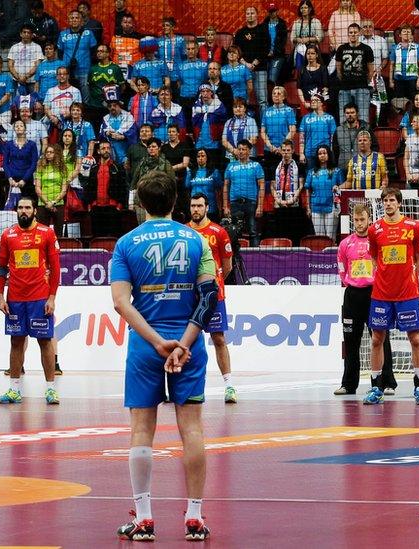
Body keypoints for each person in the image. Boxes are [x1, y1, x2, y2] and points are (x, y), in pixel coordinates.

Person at [111, 170, 215, 542]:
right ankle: (195, 517)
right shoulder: (197, 241)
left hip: (145, 345)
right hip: (189, 345)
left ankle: (144, 518)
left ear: (140, 203)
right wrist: (184, 342)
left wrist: (157, 342)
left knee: (141, 430)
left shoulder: (126, 243)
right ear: (176, 201)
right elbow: (209, 297)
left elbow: (121, 302)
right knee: (192, 429)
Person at [0, 195, 62, 405]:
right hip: (15, 299)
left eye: (27, 207)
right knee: (16, 342)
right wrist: (0, 296)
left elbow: (56, 268)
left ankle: (51, 390)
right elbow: (1, 267)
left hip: (39, 298)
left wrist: (52, 297)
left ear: (34, 210)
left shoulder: (47, 233)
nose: (24, 211)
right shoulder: (8, 235)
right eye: (20, 208)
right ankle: (14, 390)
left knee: (44, 342)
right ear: (17, 210)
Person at [363, 187, 419, 406]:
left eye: (392, 200)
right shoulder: (374, 229)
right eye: (385, 200)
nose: (388, 203)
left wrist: (412, 278)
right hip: (381, 294)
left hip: (407, 293)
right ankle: (375, 387)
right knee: (376, 340)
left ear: (399, 203)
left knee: (416, 339)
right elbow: (374, 258)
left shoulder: (413, 227)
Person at [334, 203, 394, 395]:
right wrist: (352, 282)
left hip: (375, 294)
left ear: (369, 219)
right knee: (351, 341)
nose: (359, 224)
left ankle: (386, 383)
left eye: (363, 220)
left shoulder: (377, 241)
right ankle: (349, 384)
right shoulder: (345, 244)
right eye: (356, 220)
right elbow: (342, 268)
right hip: (352, 295)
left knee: (380, 338)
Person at [187, 193, 237, 402]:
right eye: (192, 206)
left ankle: (229, 387)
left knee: (218, 339)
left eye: (199, 206)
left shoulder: (219, 232)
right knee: (186, 340)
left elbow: (227, 266)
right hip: (189, 295)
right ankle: (187, 387)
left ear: (207, 207)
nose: (196, 210)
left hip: (214, 294)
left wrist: (212, 284)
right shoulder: (184, 231)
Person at [266, 140, 312, 244]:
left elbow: (301, 185)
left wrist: (293, 199)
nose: (286, 153)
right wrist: (279, 200)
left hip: (294, 207)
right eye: (283, 150)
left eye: (288, 150)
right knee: (280, 235)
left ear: (292, 151)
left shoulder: (299, 166)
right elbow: (272, 186)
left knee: (294, 236)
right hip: (279, 207)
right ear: (281, 151)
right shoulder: (275, 166)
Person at [82, 141, 128, 237]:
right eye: (103, 148)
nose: (106, 150)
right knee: (97, 237)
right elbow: (89, 187)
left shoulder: (117, 167)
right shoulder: (94, 168)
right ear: (98, 151)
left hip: (112, 208)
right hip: (96, 209)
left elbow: (123, 187)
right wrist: (90, 205)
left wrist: (119, 206)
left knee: (113, 237)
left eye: (108, 148)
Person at [222, 139, 264, 246]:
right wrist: (225, 206)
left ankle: (255, 256)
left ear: (249, 151)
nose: (240, 151)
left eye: (243, 149)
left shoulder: (256, 165)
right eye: (239, 149)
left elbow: (262, 186)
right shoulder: (230, 166)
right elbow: (225, 186)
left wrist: (260, 206)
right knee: (234, 232)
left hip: (251, 203)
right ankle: (236, 257)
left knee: (253, 231)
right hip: (235, 204)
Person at [335, 24, 374, 126]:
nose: (353, 34)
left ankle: (364, 138)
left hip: (361, 87)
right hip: (344, 88)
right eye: (351, 32)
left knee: (363, 119)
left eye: (355, 32)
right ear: (348, 34)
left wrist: (365, 81)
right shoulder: (341, 49)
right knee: (344, 119)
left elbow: (371, 70)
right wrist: (344, 80)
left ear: (359, 33)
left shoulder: (367, 49)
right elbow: (338, 69)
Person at [234, 6, 270, 107]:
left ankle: (263, 123)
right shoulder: (240, 33)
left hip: (260, 69)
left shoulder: (263, 30)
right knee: (244, 100)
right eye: (248, 13)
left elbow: (266, 49)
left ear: (257, 15)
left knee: (262, 100)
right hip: (244, 70)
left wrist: (254, 63)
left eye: (252, 13)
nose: (250, 15)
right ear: (245, 16)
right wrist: (246, 64)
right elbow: (236, 51)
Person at [304, 145, 342, 240]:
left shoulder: (337, 171)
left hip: (332, 208)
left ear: (329, 154)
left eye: (324, 153)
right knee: (319, 238)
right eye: (319, 153)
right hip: (316, 208)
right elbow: (307, 189)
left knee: (330, 238)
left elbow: (342, 188)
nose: (322, 155)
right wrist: (308, 207)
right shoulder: (311, 172)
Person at [58, 10, 97, 99]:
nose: (74, 20)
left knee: (85, 95)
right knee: (68, 95)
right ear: (68, 20)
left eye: (77, 18)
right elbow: (60, 52)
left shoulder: (88, 33)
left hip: (85, 70)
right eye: (72, 18)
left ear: (81, 20)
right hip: (68, 71)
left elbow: (94, 51)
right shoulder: (63, 34)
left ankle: (86, 111)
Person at [261, 86, 298, 174]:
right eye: (274, 94)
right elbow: (262, 131)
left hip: (285, 150)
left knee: (285, 176)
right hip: (269, 149)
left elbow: (293, 129)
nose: (276, 96)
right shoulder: (266, 111)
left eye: (279, 94)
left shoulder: (289, 110)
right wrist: (270, 146)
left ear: (284, 97)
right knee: (270, 176)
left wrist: (282, 146)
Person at [35, 144, 71, 235]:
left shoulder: (63, 169)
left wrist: (53, 202)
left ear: (56, 154)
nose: (48, 154)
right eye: (47, 152)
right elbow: (38, 188)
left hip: (58, 204)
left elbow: (64, 190)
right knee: (42, 233)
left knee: (58, 233)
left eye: (51, 152)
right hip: (43, 204)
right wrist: (47, 203)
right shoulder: (40, 168)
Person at [191, 84, 228, 171]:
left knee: (214, 170)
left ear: (212, 93)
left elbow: (223, 120)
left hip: (213, 146)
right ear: (200, 94)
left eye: (207, 91)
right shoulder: (196, 107)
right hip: (199, 145)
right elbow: (194, 122)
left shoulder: (219, 106)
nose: (205, 94)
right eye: (203, 91)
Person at [2, 119, 40, 204]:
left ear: (25, 129)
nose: (19, 127)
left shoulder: (32, 144)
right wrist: (10, 178)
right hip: (12, 181)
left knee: (27, 205)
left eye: (21, 126)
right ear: (14, 129)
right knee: (11, 207)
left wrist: (24, 180)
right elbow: (5, 163)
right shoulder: (9, 144)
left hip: (27, 181)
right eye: (16, 126)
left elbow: (34, 163)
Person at [298, 93, 337, 172]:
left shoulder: (329, 118)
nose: (312, 102)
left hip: (324, 153)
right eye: (312, 100)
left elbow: (333, 137)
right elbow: (302, 137)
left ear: (322, 103)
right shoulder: (305, 118)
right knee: (310, 176)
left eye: (316, 100)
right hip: (309, 153)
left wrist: (332, 153)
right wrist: (301, 153)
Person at [87, 44, 124, 124]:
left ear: (108, 53)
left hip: (110, 107)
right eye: (98, 51)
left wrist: (113, 100)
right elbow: (90, 86)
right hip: (95, 106)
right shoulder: (93, 69)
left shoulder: (115, 68)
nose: (99, 53)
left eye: (102, 51)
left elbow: (122, 87)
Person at [389, 25, 419, 104]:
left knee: (412, 102)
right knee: (399, 103)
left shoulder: (417, 47)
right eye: (404, 32)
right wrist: (391, 81)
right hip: (398, 79)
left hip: (412, 79)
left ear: (411, 35)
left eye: (408, 32)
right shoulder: (395, 48)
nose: (406, 34)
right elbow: (391, 65)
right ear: (400, 35)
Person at [100, 91, 136, 167]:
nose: (112, 108)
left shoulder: (128, 116)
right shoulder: (105, 118)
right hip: (111, 153)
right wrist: (107, 133)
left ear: (120, 105)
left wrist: (124, 136)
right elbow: (101, 134)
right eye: (110, 106)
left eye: (114, 105)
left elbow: (133, 131)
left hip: (125, 149)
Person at [9, 24, 43, 94]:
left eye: (29, 32)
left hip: (32, 82)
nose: (26, 34)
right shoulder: (14, 47)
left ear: (32, 35)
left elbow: (37, 65)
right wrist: (18, 77)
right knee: (17, 103)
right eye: (24, 32)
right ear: (20, 34)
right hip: (16, 81)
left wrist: (26, 77)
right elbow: (10, 65)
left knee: (33, 103)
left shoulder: (37, 47)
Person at [222, 98, 259, 163]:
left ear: (245, 109)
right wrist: (235, 151)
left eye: (240, 107)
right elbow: (224, 141)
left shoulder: (251, 121)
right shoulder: (228, 122)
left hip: (248, 156)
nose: (238, 109)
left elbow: (254, 139)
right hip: (231, 155)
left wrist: (242, 151)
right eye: (235, 107)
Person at [291, 0, 323, 72]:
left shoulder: (316, 22)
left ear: (310, 9)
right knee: (300, 70)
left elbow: (320, 37)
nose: (303, 10)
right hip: (300, 50)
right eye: (302, 8)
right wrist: (298, 39)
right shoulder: (296, 23)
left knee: (313, 70)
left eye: (305, 8)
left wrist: (309, 39)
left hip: (313, 49)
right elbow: (292, 38)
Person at [187, 149, 221, 216]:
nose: (200, 158)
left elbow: (219, 190)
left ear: (207, 157)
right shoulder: (190, 173)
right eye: (198, 156)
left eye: (203, 156)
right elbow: (187, 189)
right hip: (195, 209)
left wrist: (220, 207)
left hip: (211, 208)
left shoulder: (214, 172)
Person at [297, 45, 329, 112]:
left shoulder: (323, 69)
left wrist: (320, 102)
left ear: (317, 55)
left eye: (312, 53)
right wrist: (304, 103)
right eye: (308, 53)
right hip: (306, 102)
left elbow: (325, 87)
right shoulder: (302, 70)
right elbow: (299, 88)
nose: (310, 55)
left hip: (320, 103)